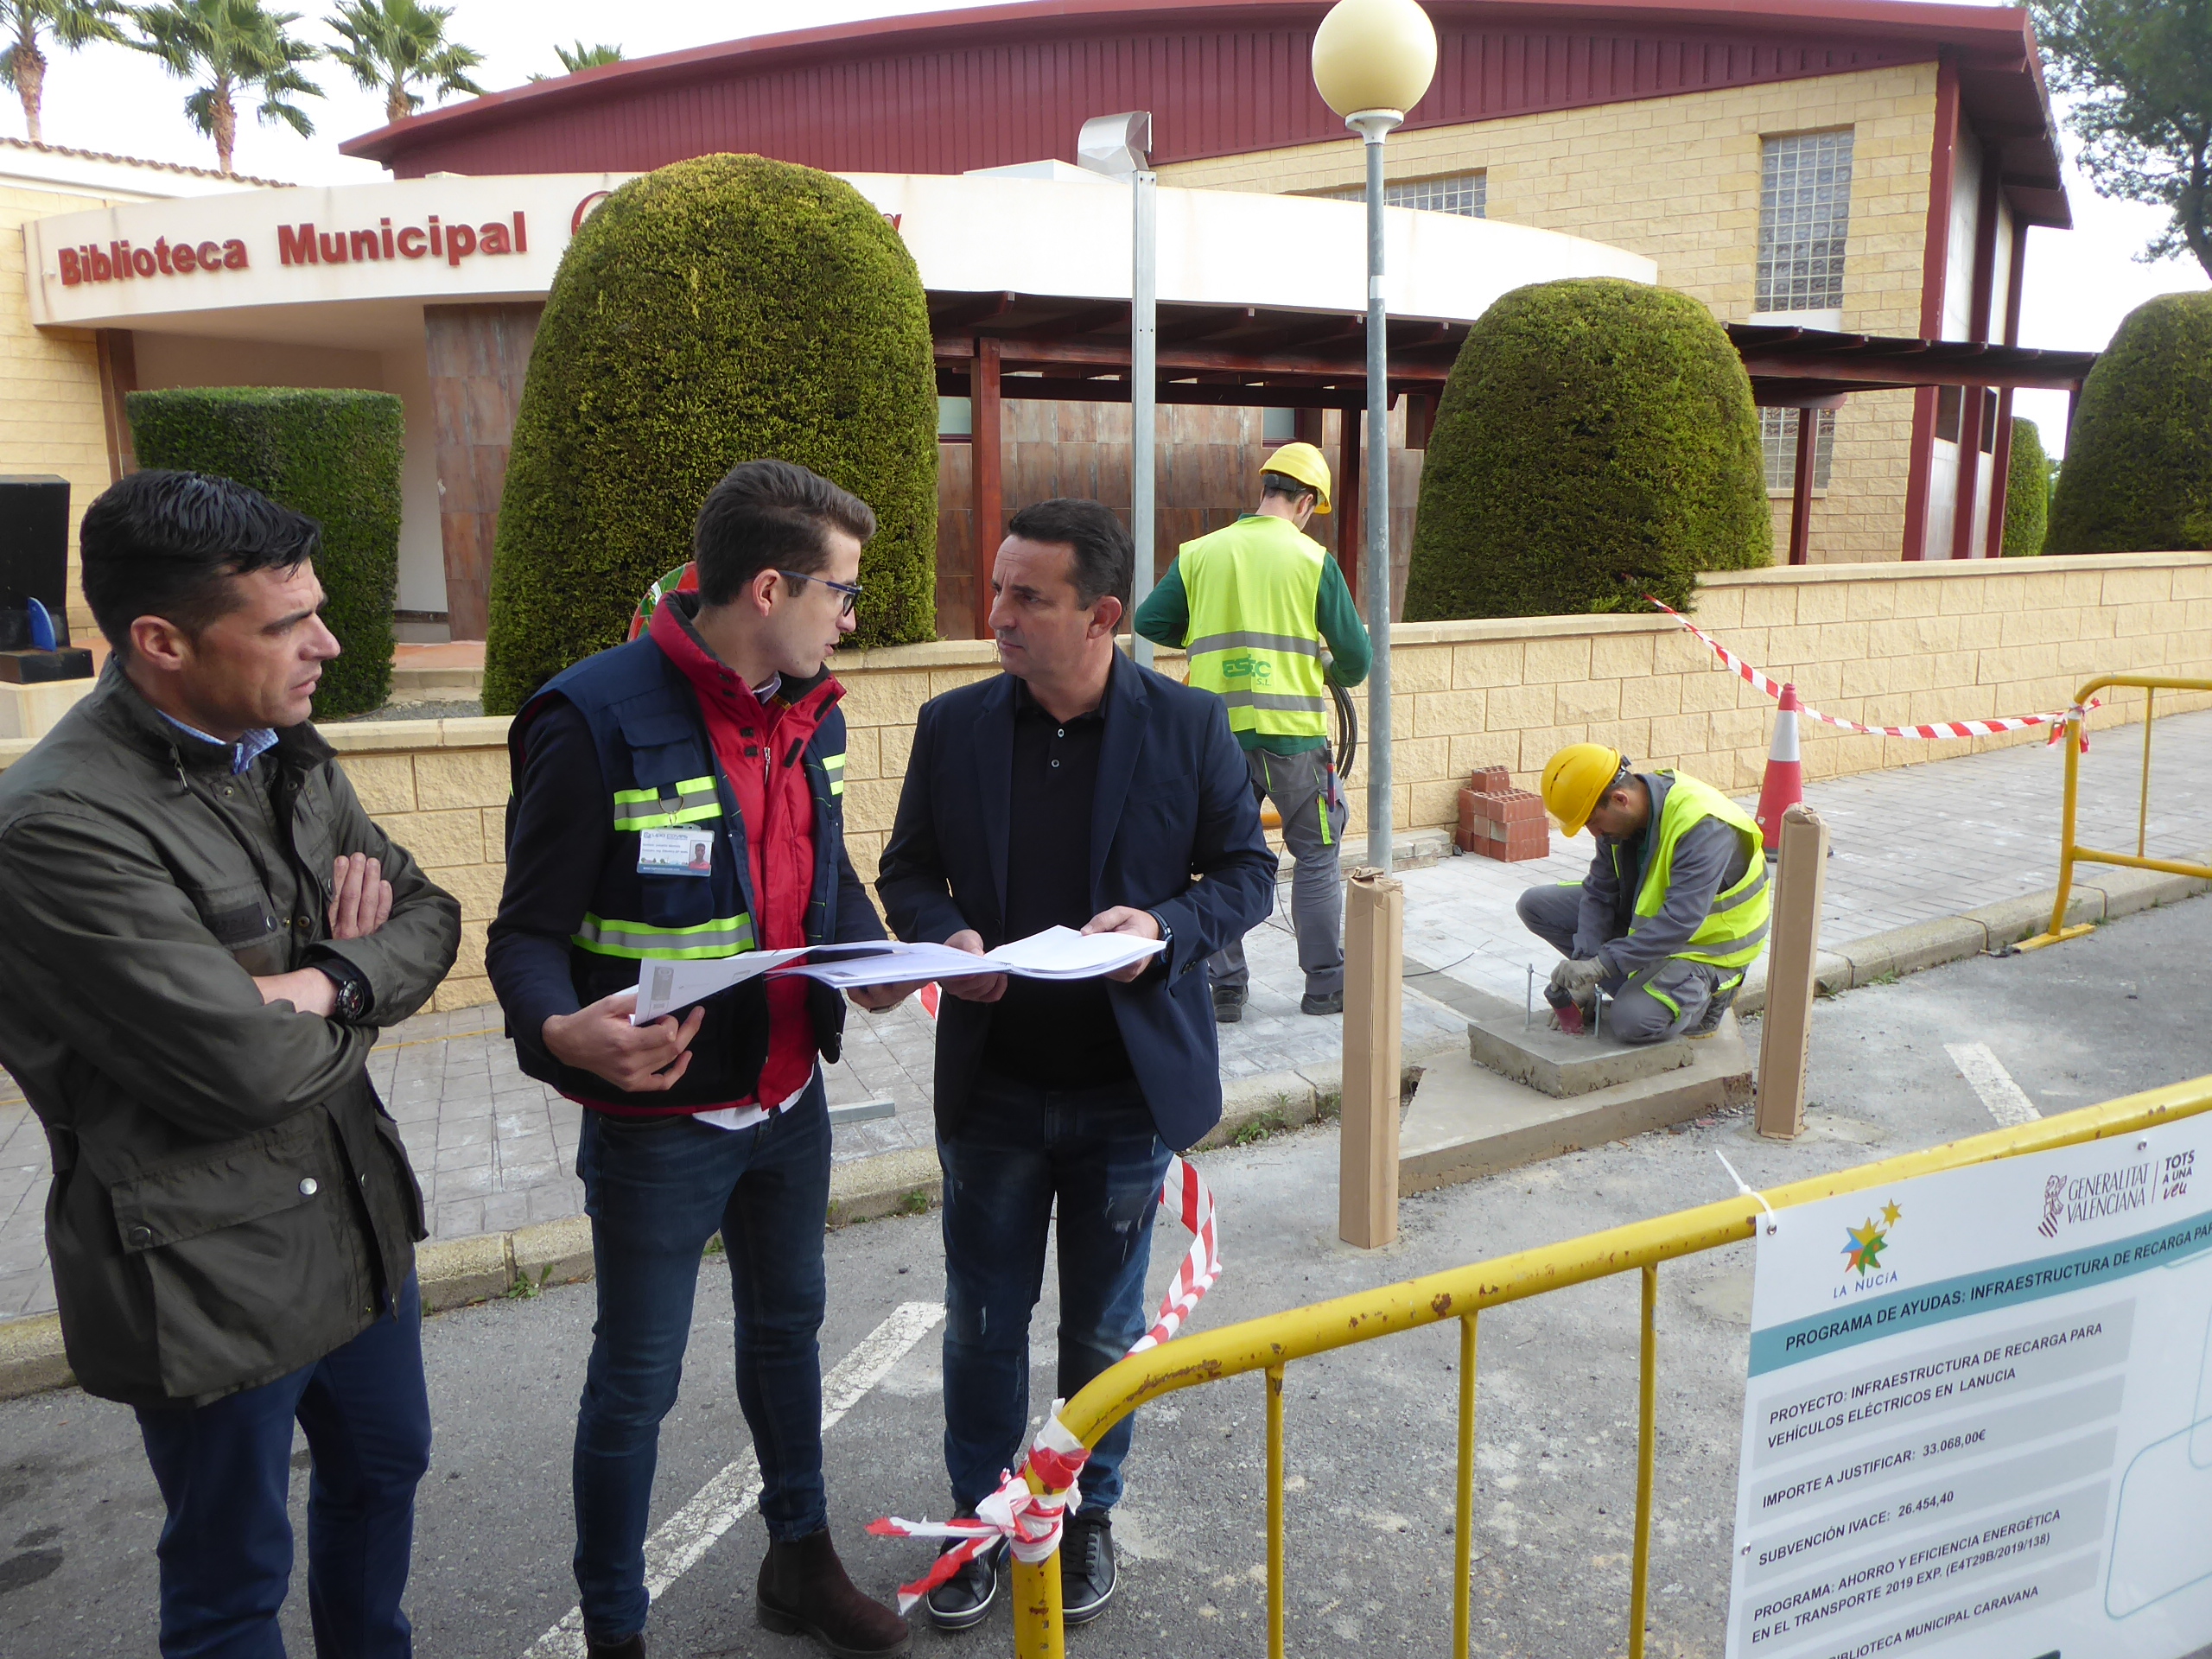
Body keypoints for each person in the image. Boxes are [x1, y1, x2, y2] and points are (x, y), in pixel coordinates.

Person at [0, 468, 461, 1656]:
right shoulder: (58, 826)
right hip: (205, 1273)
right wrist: (344, 971)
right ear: (159, 640)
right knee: (230, 1580)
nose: (331, 643)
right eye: (287, 623)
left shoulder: (285, 750)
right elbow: (238, 1071)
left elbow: (427, 916)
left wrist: (325, 978)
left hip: (356, 1222)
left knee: (384, 1474)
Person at [486, 460, 912, 1659]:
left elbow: (825, 879)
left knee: (788, 1342)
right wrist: (559, 1032)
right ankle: (613, 1633)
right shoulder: (593, 716)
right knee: (637, 1384)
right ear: (768, 586)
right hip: (657, 1128)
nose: (851, 616)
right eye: (842, 592)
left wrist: (879, 960)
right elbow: (522, 936)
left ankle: (799, 1562)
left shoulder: (809, 707)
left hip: (790, 1102)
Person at [877, 498, 1276, 1632]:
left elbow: (1243, 873)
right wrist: (942, 938)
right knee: (983, 1322)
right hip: (994, 1084)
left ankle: (1085, 1509)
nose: (996, 612)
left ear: (1101, 615)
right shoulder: (953, 727)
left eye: (1026, 597)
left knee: (1103, 1331)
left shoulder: (1189, 728)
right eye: (998, 588)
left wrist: (1163, 930)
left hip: (1123, 1089)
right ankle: (981, 1513)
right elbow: (908, 869)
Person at [1132, 441, 1370, 1021]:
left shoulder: (1201, 554)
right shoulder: (1313, 561)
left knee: (1221, 861)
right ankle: (1325, 987)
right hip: (1294, 736)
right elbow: (1357, 659)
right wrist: (1326, 669)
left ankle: (1227, 988)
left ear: (1265, 489)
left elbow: (1149, 620)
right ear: (1307, 501)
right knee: (1315, 855)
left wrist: (1208, 630)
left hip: (1216, 739)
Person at [1517, 743, 1771, 1043]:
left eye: (1593, 822)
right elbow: (1600, 892)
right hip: (1661, 928)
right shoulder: (1623, 821)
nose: (1594, 834)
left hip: (1707, 947)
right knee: (1535, 905)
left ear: (1620, 799)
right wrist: (1584, 961)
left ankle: (1708, 998)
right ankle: (1645, 986)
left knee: (1632, 1022)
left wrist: (1602, 965)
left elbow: (1680, 921)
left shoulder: (1703, 826)